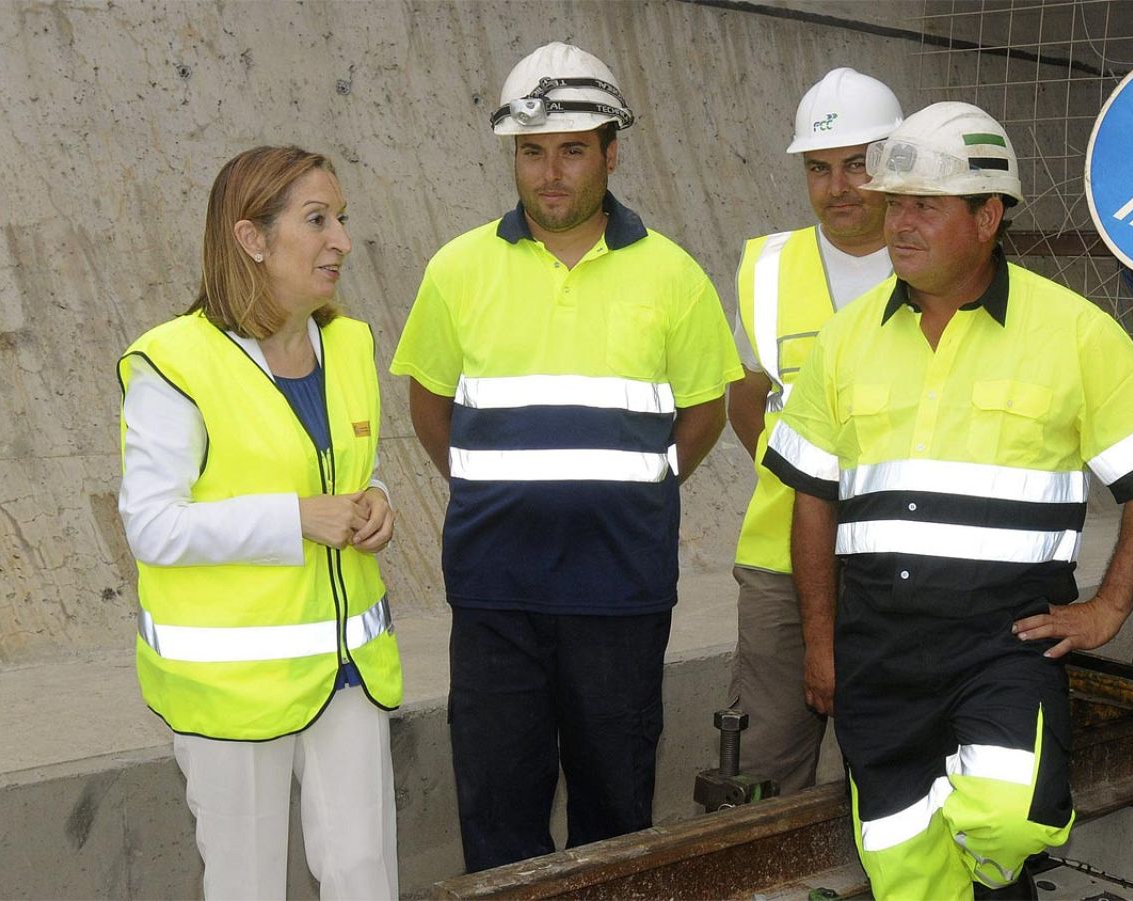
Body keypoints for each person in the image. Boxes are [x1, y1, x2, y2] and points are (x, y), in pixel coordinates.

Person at [763, 101, 1133, 900]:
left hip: (1004, 641)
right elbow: (812, 499)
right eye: (895, 204)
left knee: (1007, 817)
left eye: (926, 204)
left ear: (989, 216)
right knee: (905, 863)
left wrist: (1108, 607)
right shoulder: (848, 339)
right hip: (877, 647)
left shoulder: (1073, 332)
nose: (900, 224)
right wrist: (821, 642)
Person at [390, 42, 742, 872]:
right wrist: (501, 485)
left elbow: (703, 414)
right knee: (498, 810)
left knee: (614, 813)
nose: (550, 172)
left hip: (619, 591)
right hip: (494, 591)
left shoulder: (674, 275)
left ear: (610, 153)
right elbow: (428, 405)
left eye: (572, 149)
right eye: (532, 151)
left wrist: (633, 486)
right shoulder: (457, 268)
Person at [117, 146, 403, 900]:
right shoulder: (173, 363)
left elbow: (342, 467)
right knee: (247, 886)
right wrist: (295, 520)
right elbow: (152, 526)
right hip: (229, 688)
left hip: (348, 671)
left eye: (340, 218)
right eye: (317, 220)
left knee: (363, 876)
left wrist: (374, 502)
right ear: (251, 238)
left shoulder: (348, 343)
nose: (341, 238)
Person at [727, 68, 903, 795]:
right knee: (764, 770)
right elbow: (745, 399)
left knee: (894, 765)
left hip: (898, 560)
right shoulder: (767, 268)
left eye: (859, 163)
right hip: (779, 557)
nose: (839, 187)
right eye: (819, 168)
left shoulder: (940, 260)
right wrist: (802, 486)